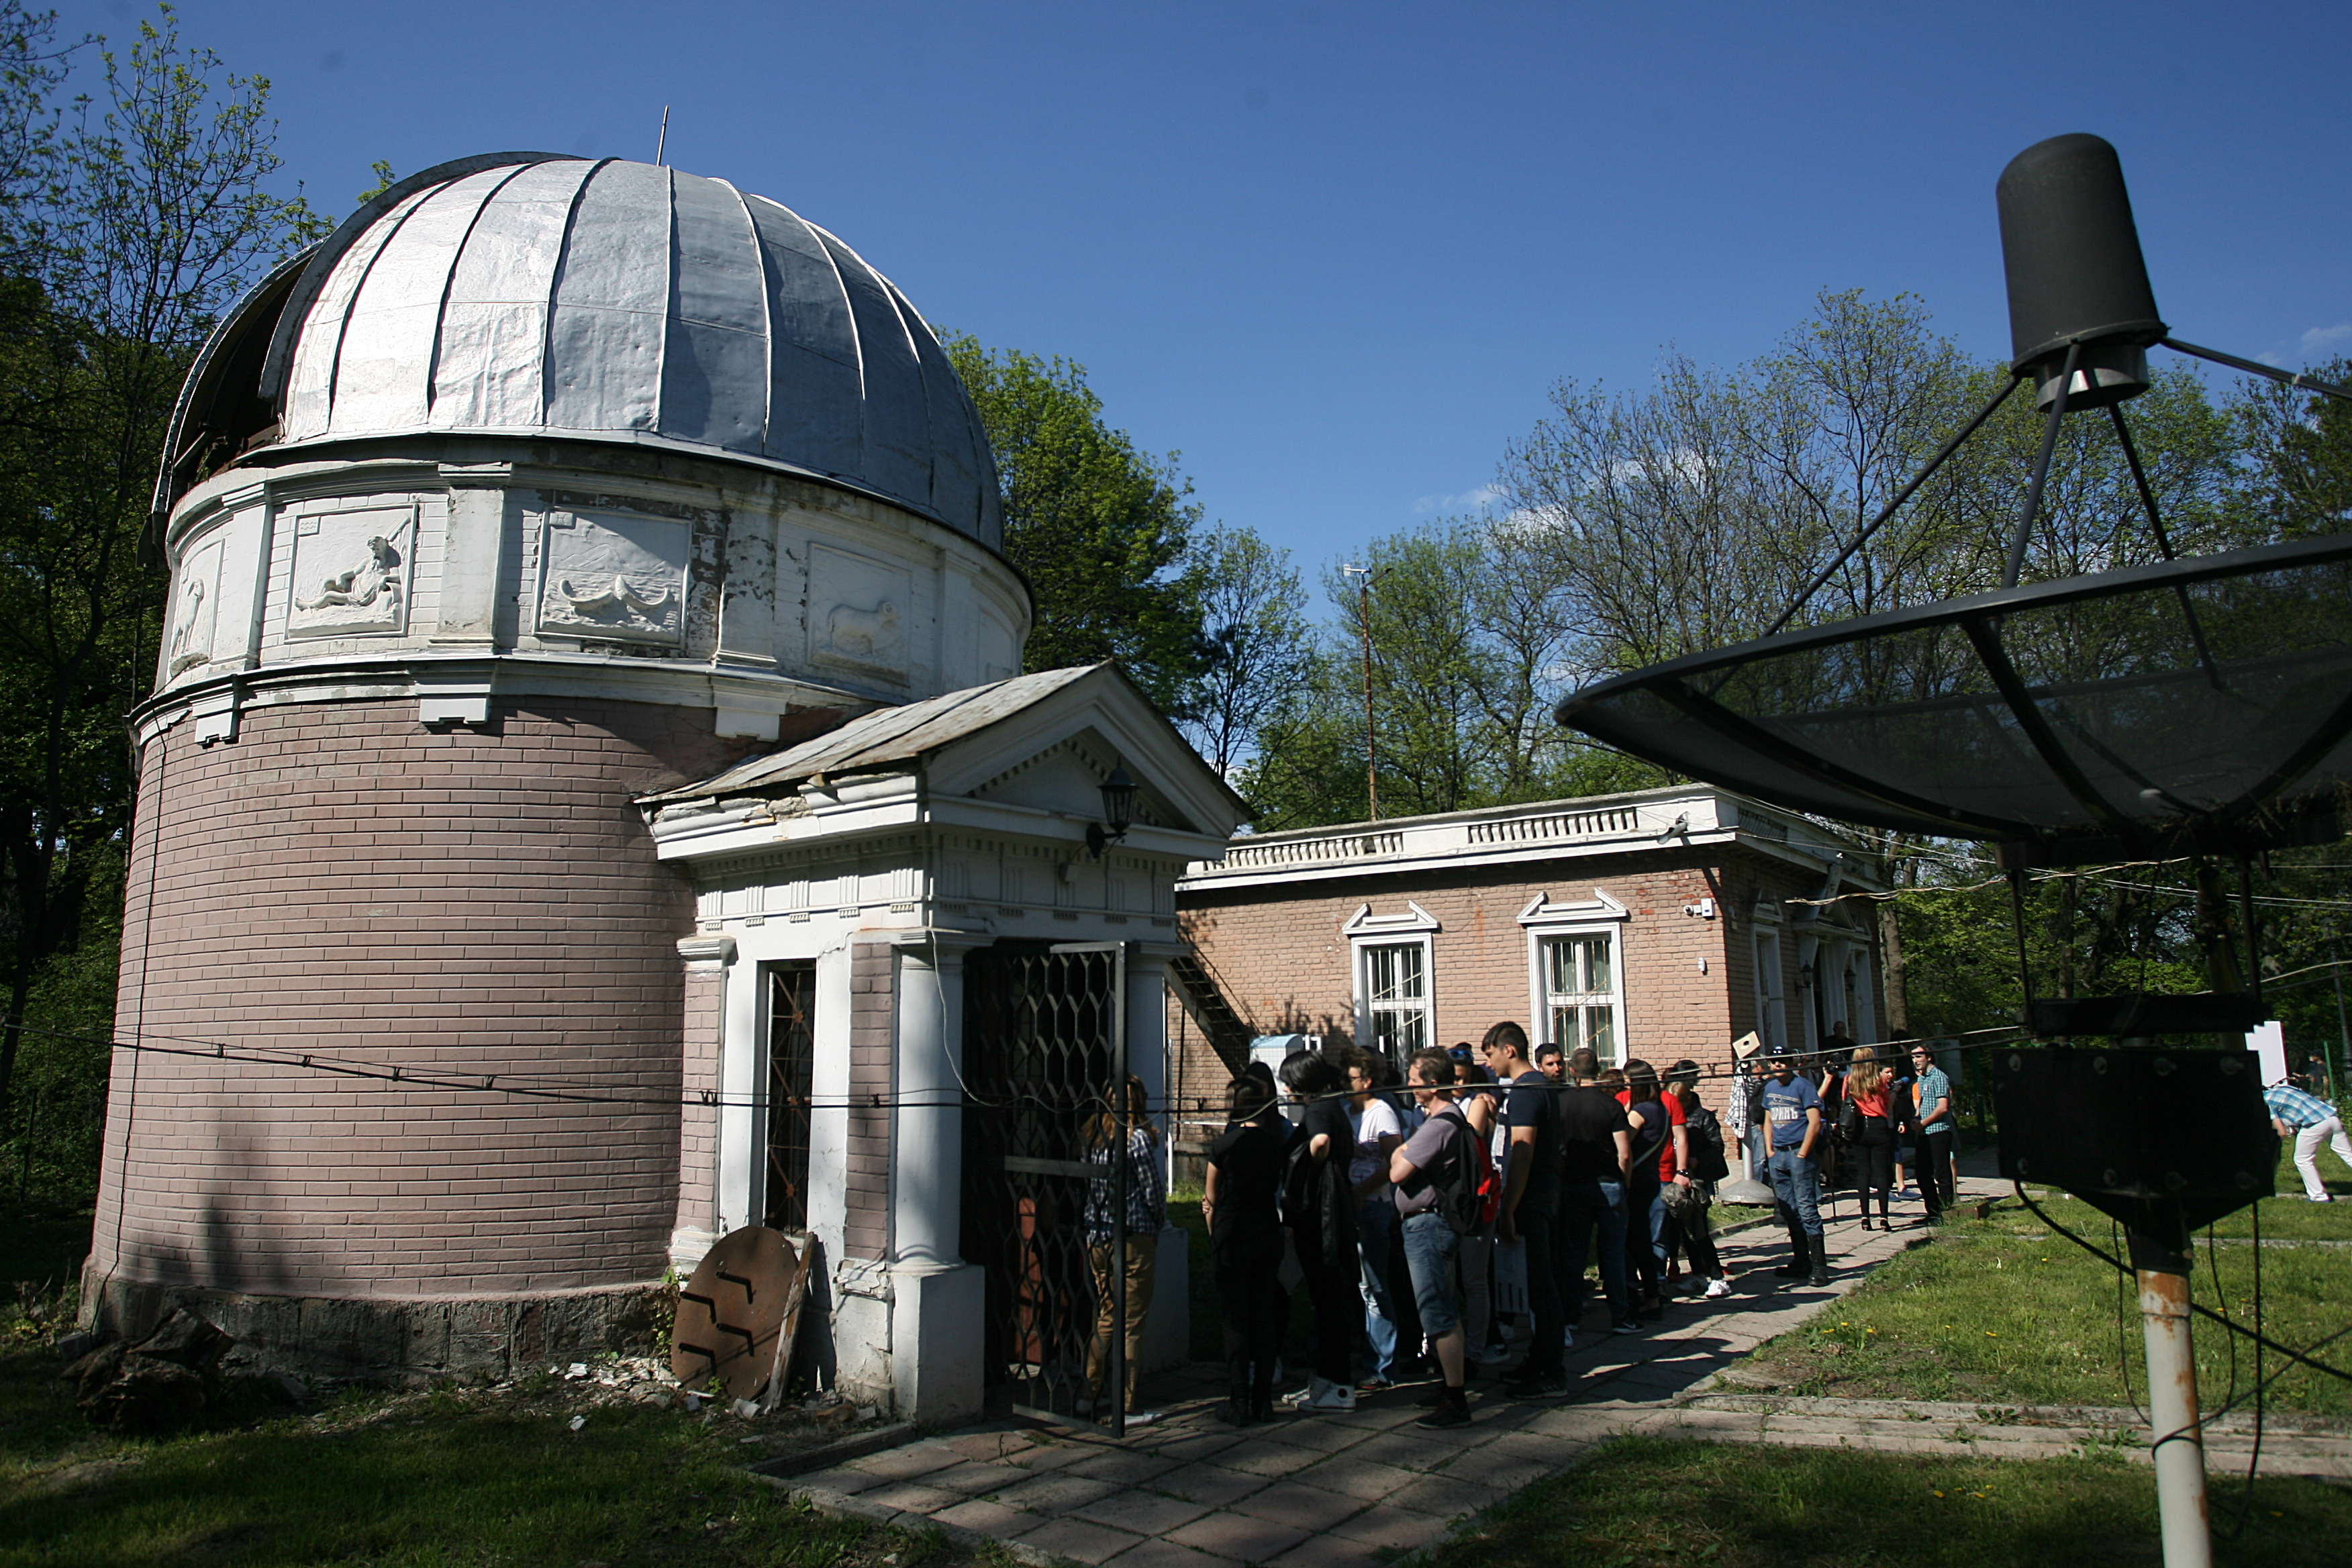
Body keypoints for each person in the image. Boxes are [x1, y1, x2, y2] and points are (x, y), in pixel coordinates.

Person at [1389, 1046, 1477, 1429]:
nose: (1409, 1085)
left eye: (1414, 1078)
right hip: (1431, 1225)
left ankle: (1456, 1401)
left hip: (1429, 1226)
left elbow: (1397, 1172)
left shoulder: (1439, 1125)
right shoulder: (1446, 1120)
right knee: (1441, 1309)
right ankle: (1446, 1387)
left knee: (1437, 1313)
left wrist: (1401, 1151)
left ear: (1433, 1083)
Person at [1482, 1022, 1568, 1399]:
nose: (1489, 1063)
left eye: (1490, 1054)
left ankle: (1550, 1372)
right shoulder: (1539, 1088)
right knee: (1538, 1286)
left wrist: (1508, 1209)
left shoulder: (1526, 1091)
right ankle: (1538, 1359)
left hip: (1530, 1200)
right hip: (1541, 1194)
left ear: (1509, 1051)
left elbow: (1523, 1150)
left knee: (1541, 1286)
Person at [1204, 1073, 1288, 1424]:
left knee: (1235, 1319)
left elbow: (1210, 1197)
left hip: (1232, 1232)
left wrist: (1213, 1235)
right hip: (1267, 1231)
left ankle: (1238, 1399)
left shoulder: (1224, 1146)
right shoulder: (1275, 1146)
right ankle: (1263, 1400)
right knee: (1264, 1316)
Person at [1278, 1049, 1359, 1412]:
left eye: (1288, 1081)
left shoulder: (1317, 1111)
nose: (1285, 1087)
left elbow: (1321, 1142)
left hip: (1323, 1219)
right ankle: (1327, 1381)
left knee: (1329, 1303)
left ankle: (1339, 1386)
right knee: (1327, 1303)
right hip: (1331, 1215)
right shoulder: (1332, 1107)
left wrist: (1308, 1166)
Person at [1083, 1075, 1165, 1420]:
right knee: (1131, 1322)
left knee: (1107, 1316)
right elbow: (1152, 1191)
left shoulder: (1094, 1138)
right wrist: (1160, 1222)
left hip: (1097, 1237)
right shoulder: (1137, 1140)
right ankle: (1127, 1404)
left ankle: (1090, 1392)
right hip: (1133, 1237)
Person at [1556, 1046, 1636, 1338]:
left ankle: (1571, 1316)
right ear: (1598, 1069)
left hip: (1574, 1185)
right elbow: (1624, 1153)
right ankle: (1620, 1315)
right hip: (1608, 1183)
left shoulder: (1561, 1104)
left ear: (1572, 1071)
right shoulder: (1610, 1105)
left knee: (1574, 1253)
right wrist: (1624, 1183)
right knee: (1613, 1253)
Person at [1344, 1050, 1406, 1392]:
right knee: (1357, 1285)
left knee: (1375, 1286)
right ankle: (1360, 1350)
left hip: (1374, 1205)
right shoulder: (1346, 1112)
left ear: (1366, 1082)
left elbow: (1392, 1162)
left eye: (1350, 1079)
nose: (1345, 1085)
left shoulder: (1382, 1113)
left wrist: (1362, 1191)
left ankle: (1384, 1366)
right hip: (1350, 1206)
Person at [1618, 1058, 1688, 1318]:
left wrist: (1624, 1114)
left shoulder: (1641, 1111)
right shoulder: (1660, 1108)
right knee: (1645, 1240)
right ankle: (1653, 1293)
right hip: (1651, 1178)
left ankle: (1641, 1295)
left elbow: (1622, 1141)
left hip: (1635, 1181)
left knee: (1633, 1241)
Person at [1759, 1050, 1828, 1287]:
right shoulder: (1770, 1088)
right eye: (1773, 1061)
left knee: (1807, 1208)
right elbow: (1767, 1119)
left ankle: (1819, 1266)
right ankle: (1801, 1261)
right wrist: (1769, 1149)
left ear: (1791, 1064)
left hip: (1799, 1153)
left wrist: (1804, 1151)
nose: (1777, 1065)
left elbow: (1815, 1121)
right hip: (1778, 1155)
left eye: (1782, 1061)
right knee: (1789, 1209)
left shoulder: (1803, 1086)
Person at [1663, 1061, 1732, 1298]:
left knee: (1699, 1231)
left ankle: (1717, 1278)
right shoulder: (1669, 1118)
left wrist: (1695, 1161)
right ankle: (1698, 1275)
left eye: (1678, 1105)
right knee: (1685, 1233)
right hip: (1676, 1183)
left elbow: (1717, 1147)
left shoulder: (1702, 1118)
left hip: (1698, 1181)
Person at [1843, 1047, 1904, 1231]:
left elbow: (1844, 1100)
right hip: (1878, 1125)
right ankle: (1884, 1217)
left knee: (1863, 1172)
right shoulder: (1879, 1080)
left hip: (1859, 1126)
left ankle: (1865, 1217)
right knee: (1882, 1172)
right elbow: (1886, 1101)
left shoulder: (1850, 1080)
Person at [2266, 1075, 2351, 1203]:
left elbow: (2282, 1132)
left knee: (2302, 1159)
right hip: (2332, 1118)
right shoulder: (2284, 1089)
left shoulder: (2266, 1101)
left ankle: (2319, 1196)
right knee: (2348, 1155)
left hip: (2313, 1124)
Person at [1906, 1042, 1956, 1220]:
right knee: (1921, 1172)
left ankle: (1947, 1209)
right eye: (1913, 1057)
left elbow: (1943, 1107)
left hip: (1938, 1130)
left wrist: (1924, 1122)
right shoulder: (1921, 1079)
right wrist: (1917, 1118)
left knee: (1941, 1172)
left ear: (1929, 1057)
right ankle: (1933, 1210)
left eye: (1919, 1056)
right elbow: (1922, 1103)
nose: (1916, 1060)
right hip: (1923, 1132)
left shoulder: (1939, 1077)